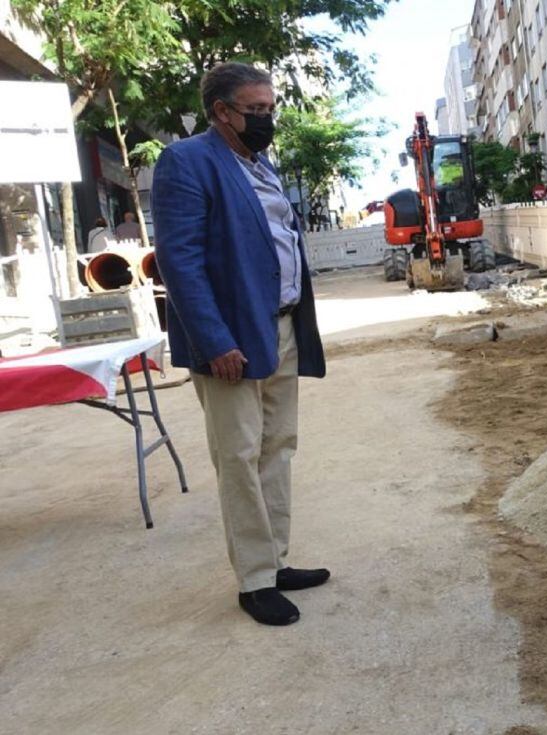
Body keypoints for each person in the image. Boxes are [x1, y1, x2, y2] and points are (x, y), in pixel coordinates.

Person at [152, 61, 328, 626]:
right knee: (239, 454)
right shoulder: (187, 161)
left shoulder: (261, 164)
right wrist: (213, 341)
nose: (266, 119)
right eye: (255, 110)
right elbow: (180, 262)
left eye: (270, 109)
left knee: (279, 446)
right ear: (221, 111)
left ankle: (275, 561)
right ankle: (254, 581)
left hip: (282, 326)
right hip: (232, 339)